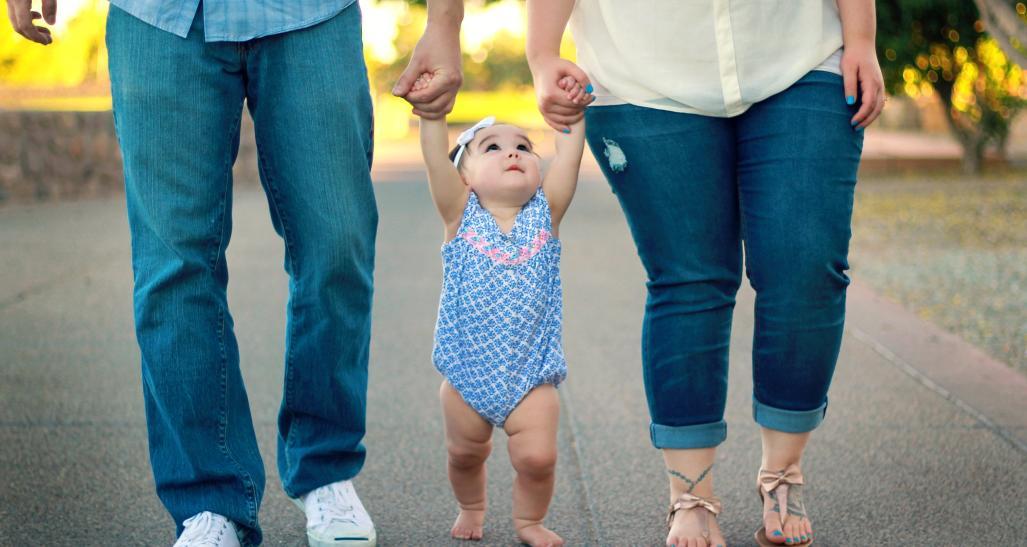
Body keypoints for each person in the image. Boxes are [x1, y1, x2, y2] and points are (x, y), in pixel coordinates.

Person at [5, 0, 461, 545]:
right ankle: (208, 499)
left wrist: (445, 21)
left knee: (337, 245)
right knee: (172, 267)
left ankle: (326, 469)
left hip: (311, 15)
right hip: (159, 18)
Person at [526, 1, 885, 546]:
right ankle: (690, 495)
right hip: (640, 73)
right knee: (689, 280)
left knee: (805, 267)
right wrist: (541, 54)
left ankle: (783, 473)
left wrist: (860, 37)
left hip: (801, 53)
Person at [415, 70, 590, 546]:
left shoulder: (546, 216)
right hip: (466, 374)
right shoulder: (460, 217)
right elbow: (434, 159)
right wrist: (432, 115)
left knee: (538, 458)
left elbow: (569, 159)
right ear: (465, 177)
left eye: (524, 147)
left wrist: (571, 117)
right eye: (492, 147)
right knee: (465, 454)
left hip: (530, 375)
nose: (513, 153)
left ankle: (529, 520)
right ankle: (471, 505)